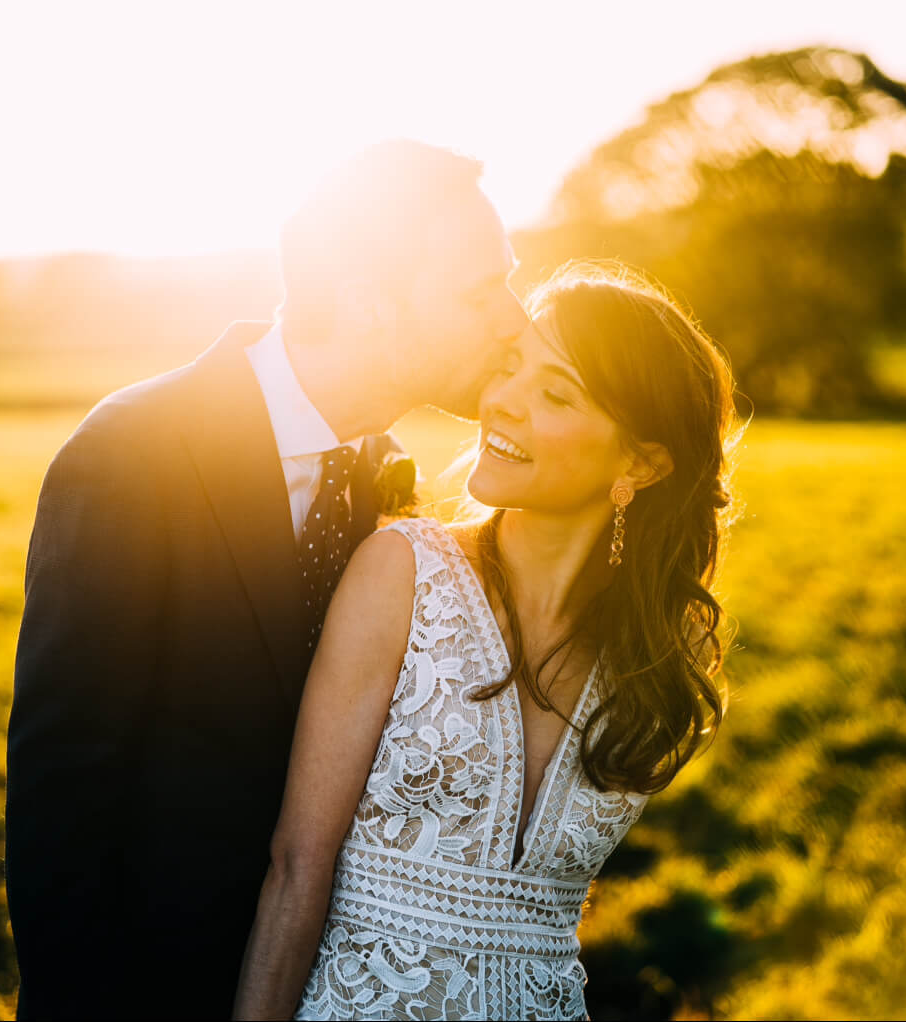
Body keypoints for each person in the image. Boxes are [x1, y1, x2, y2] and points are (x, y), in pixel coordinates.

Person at [4, 140, 527, 1019]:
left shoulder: (389, 476)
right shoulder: (134, 454)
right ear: (369, 304)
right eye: (481, 292)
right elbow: (65, 787)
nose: (513, 319)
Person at [233, 260, 736, 1020]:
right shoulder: (400, 573)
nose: (501, 403)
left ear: (641, 462)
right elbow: (298, 867)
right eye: (510, 368)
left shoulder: (651, 658)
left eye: (554, 394)